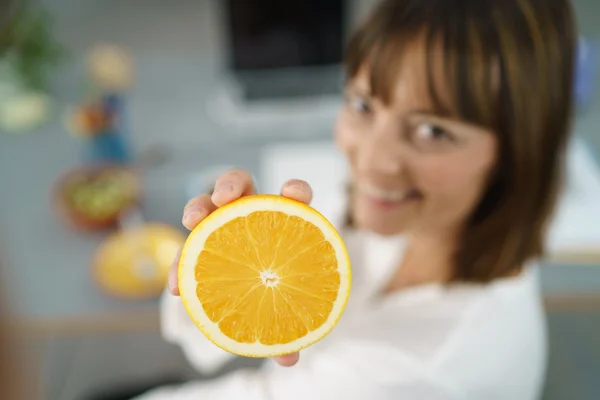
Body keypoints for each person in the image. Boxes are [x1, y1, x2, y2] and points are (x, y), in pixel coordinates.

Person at [136, 0, 575, 398]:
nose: (372, 160)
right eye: (363, 105)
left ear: (518, 151)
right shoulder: (420, 211)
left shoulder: (420, 371)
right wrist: (223, 266)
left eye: (433, 131)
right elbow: (204, 343)